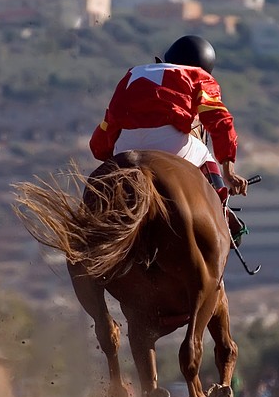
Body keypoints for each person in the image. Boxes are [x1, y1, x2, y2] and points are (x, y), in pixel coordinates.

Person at [89, 34, 250, 246]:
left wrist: (105, 154)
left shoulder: (132, 74)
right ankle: (222, 212)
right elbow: (220, 122)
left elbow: (105, 131)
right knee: (204, 153)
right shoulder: (198, 76)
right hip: (169, 144)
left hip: (124, 145)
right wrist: (228, 171)